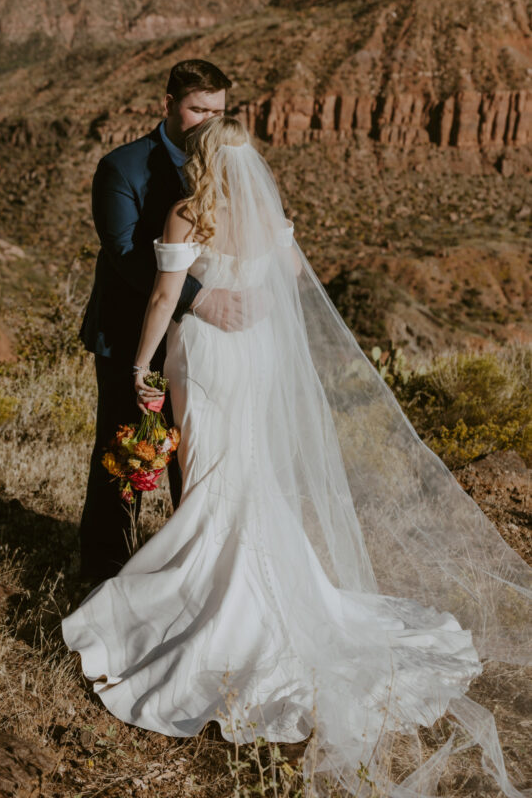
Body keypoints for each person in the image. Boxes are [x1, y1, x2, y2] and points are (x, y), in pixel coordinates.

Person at [64, 116, 531, 797]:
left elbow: (166, 295)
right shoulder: (264, 215)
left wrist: (140, 368)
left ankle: (209, 604)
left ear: (199, 160)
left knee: (211, 482)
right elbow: (290, 277)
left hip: (205, 356)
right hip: (255, 355)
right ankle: (263, 592)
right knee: (246, 476)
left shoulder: (188, 212)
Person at [78, 58, 246, 583]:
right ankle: (103, 568)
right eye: (198, 109)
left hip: (204, 348)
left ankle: (187, 566)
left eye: (217, 110)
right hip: (133, 333)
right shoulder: (121, 167)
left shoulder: (228, 161)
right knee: (124, 450)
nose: (207, 121)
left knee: (194, 453)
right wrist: (200, 299)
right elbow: (127, 254)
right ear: (167, 105)